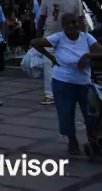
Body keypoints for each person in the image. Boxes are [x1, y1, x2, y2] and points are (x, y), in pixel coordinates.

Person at [31, 13, 102, 155]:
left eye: (74, 22)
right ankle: (72, 141)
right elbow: (35, 42)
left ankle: (93, 141)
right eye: (68, 23)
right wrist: (51, 57)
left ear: (79, 24)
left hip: (84, 83)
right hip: (62, 82)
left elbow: (100, 52)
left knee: (92, 115)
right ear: (63, 26)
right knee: (66, 114)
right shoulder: (58, 38)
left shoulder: (86, 37)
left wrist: (87, 56)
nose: (71, 25)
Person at [37, 0, 86, 105]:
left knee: (70, 63)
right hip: (50, 36)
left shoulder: (75, 0)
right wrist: (38, 36)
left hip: (69, 37)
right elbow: (41, 18)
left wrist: (84, 36)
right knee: (48, 64)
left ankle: (72, 90)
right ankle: (49, 94)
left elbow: (81, 19)